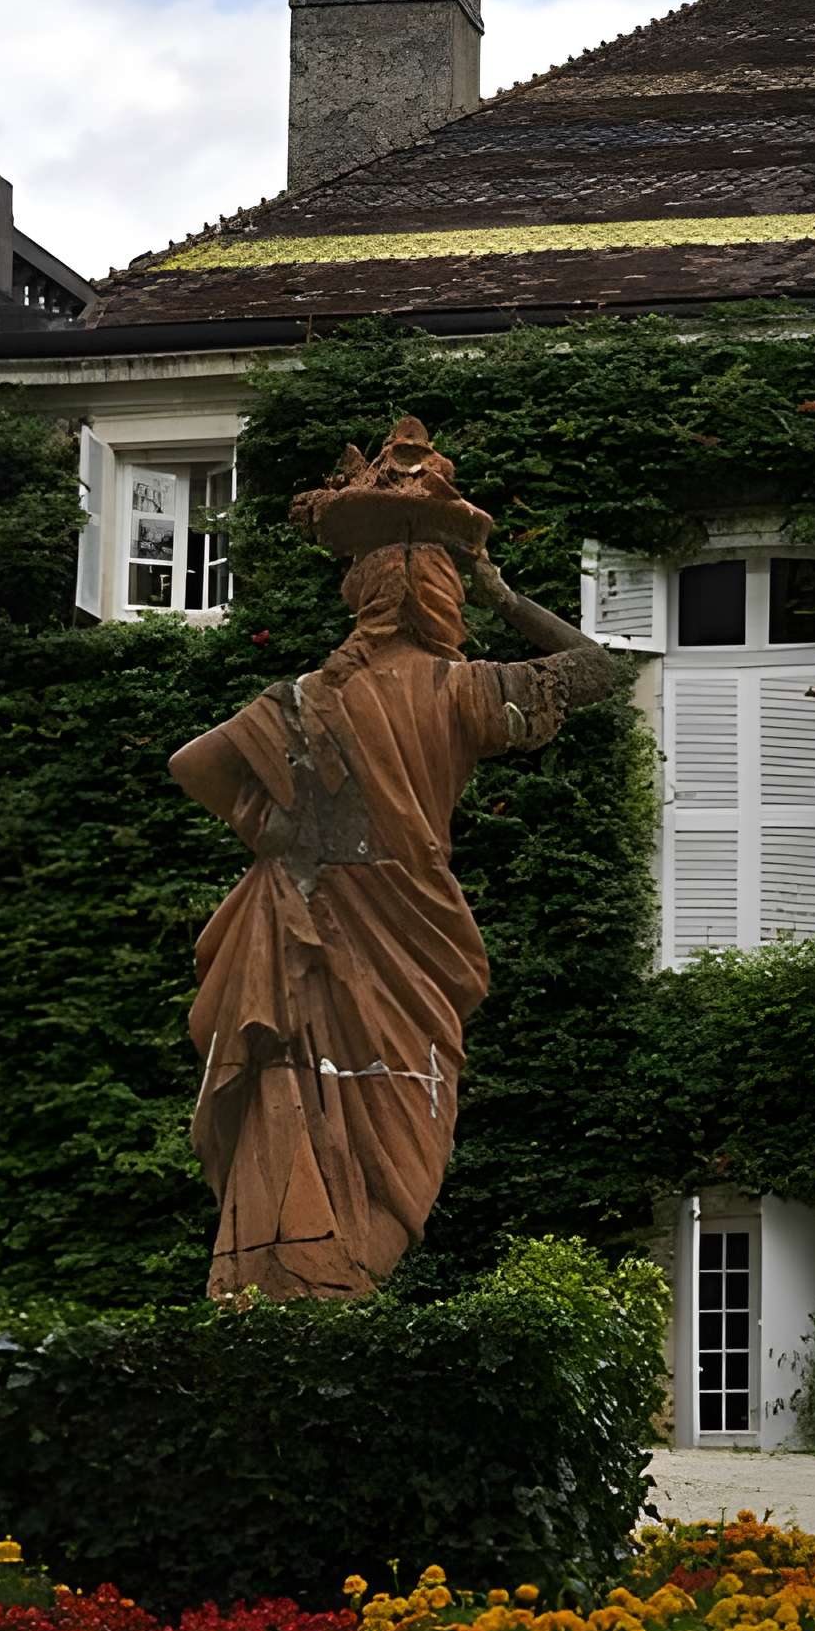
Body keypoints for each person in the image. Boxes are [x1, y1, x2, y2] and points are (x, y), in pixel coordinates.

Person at [171, 424, 619, 1298]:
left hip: (313, 914)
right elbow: (596, 669)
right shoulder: (462, 693)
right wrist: (504, 592)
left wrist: (278, 833)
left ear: (362, 591)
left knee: (296, 1095)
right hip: (415, 928)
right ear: (444, 597)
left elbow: (193, 765)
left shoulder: (300, 699)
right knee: (406, 1116)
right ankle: (332, 1296)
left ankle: (288, 1290)